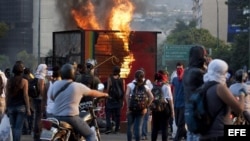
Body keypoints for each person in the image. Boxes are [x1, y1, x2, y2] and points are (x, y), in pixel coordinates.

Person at [50, 63, 109, 141]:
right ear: (72, 73)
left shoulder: (55, 84)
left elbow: (52, 97)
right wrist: (105, 94)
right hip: (70, 117)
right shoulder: (77, 86)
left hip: (55, 116)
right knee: (90, 134)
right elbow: (92, 92)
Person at [200, 59, 244, 140]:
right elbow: (239, 109)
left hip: (205, 134)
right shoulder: (220, 88)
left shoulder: (204, 87)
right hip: (221, 133)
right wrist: (242, 95)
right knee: (243, 132)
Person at [182, 45, 208, 141]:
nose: (205, 57)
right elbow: (212, 81)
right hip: (199, 111)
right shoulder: (199, 73)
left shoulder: (187, 71)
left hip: (189, 109)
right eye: (204, 55)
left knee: (191, 135)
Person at [125, 69, 154, 141]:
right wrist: (146, 107)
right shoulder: (146, 86)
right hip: (141, 109)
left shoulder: (130, 85)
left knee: (130, 127)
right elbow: (152, 97)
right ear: (143, 77)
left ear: (134, 77)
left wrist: (128, 106)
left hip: (131, 108)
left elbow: (127, 95)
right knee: (138, 127)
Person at [6, 62, 31, 141]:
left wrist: (6, 106)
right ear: (21, 71)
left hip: (11, 106)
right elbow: (25, 95)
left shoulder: (9, 81)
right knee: (18, 128)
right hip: (21, 107)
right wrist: (28, 108)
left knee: (12, 127)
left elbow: (7, 95)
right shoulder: (24, 81)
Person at [151, 70, 174, 141]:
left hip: (155, 108)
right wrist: (172, 111)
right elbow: (170, 99)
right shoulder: (166, 86)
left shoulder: (152, 85)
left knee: (155, 127)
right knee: (165, 127)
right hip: (164, 107)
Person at [105, 66, 125, 134]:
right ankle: (116, 129)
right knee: (118, 115)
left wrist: (106, 97)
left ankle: (109, 128)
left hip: (111, 99)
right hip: (118, 100)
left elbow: (108, 89)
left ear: (113, 71)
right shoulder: (122, 80)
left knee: (108, 114)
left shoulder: (110, 79)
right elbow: (123, 91)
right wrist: (122, 101)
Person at [171, 62, 187, 141]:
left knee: (181, 122)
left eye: (180, 68)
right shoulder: (174, 79)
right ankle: (186, 135)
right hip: (177, 103)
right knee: (177, 122)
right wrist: (173, 100)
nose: (179, 70)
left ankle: (177, 138)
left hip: (184, 104)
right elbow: (174, 90)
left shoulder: (186, 79)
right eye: (178, 68)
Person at [33, 63, 48, 141]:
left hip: (36, 99)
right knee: (39, 116)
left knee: (37, 116)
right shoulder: (41, 77)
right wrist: (44, 98)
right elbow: (41, 88)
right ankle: (37, 133)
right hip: (40, 99)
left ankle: (36, 132)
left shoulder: (36, 75)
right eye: (45, 69)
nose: (46, 70)